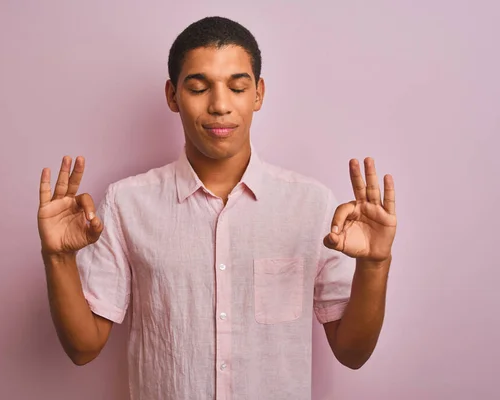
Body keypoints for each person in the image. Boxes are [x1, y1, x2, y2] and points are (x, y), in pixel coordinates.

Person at [37, 16, 397, 400]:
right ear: (173, 96)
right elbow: (83, 348)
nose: (220, 105)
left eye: (237, 87)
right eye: (198, 87)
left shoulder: (312, 206)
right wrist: (57, 258)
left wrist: (374, 265)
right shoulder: (127, 204)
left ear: (258, 93)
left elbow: (353, 353)